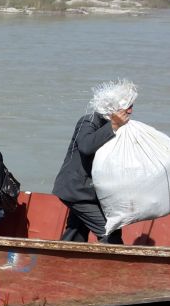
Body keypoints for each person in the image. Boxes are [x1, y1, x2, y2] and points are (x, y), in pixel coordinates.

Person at [52, 79, 137, 244]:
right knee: (110, 233)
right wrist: (113, 125)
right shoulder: (90, 121)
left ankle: (58, 264)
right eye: (128, 105)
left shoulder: (117, 128)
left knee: (75, 234)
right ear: (115, 105)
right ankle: (116, 269)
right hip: (77, 191)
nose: (131, 110)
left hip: (93, 192)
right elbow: (86, 146)